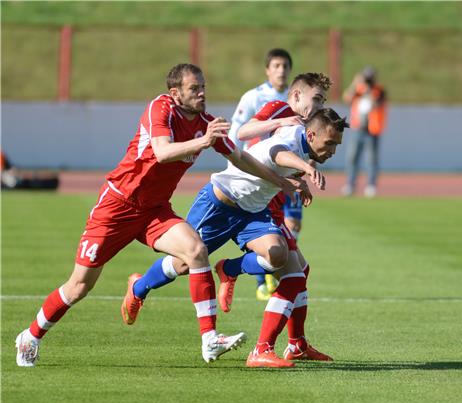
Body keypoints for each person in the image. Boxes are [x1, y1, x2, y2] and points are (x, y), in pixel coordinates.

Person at [15, 63, 299, 368]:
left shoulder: (205, 122)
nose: (202, 93)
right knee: (79, 286)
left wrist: (282, 181)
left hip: (155, 210)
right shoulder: (160, 108)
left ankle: (209, 339)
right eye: (194, 88)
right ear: (175, 93)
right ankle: (30, 336)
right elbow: (163, 151)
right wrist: (205, 140)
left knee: (196, 251)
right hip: (117, 205)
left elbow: (240, 158)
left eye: (203, 86)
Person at [122, 108, 348, 368]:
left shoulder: (303, 138)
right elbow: (277, 153)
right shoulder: (291, 143)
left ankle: (230, 272)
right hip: (219, 204)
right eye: (329, 143)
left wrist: (300, 177)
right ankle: (138, 287)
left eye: (336, 145)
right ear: (311, 134)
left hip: (253, 212)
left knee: (279, 256)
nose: (332, 150)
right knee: (184, 263)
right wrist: (305, 167)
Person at [236, 72, 330, 300]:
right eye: (316, 99)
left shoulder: (309, 126)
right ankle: (231, 270)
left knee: (296, 275)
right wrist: (280, 121)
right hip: (258, 199)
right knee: (294, 275)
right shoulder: (280, 108)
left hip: (275, 197)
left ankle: (292, 336)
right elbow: (243, 132)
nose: (319, 105)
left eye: (323, 101)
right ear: (297, 95)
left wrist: (301, 177)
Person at [227, 48, 294, 300]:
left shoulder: (294, 98)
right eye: (276, 65)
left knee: (293, 225)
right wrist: (234, 161)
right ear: (267, 70)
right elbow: (237, 132)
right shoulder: (254, 97)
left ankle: (271, 271)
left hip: (286, 171)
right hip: (258, 173)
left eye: (285, 66)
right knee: (266, 227)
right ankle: (262, 279)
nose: (281, 70)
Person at [341, 66, 388, 198]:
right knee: (352, 158)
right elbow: (346, 98)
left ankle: (371, 185)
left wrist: (368, 91)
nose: (368, 81)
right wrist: (355, 84)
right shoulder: (358, 89)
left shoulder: (379, 91)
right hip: (358, 128)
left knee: (372, 159)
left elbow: (375, 104)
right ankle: (350, 184)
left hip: (372, 130)